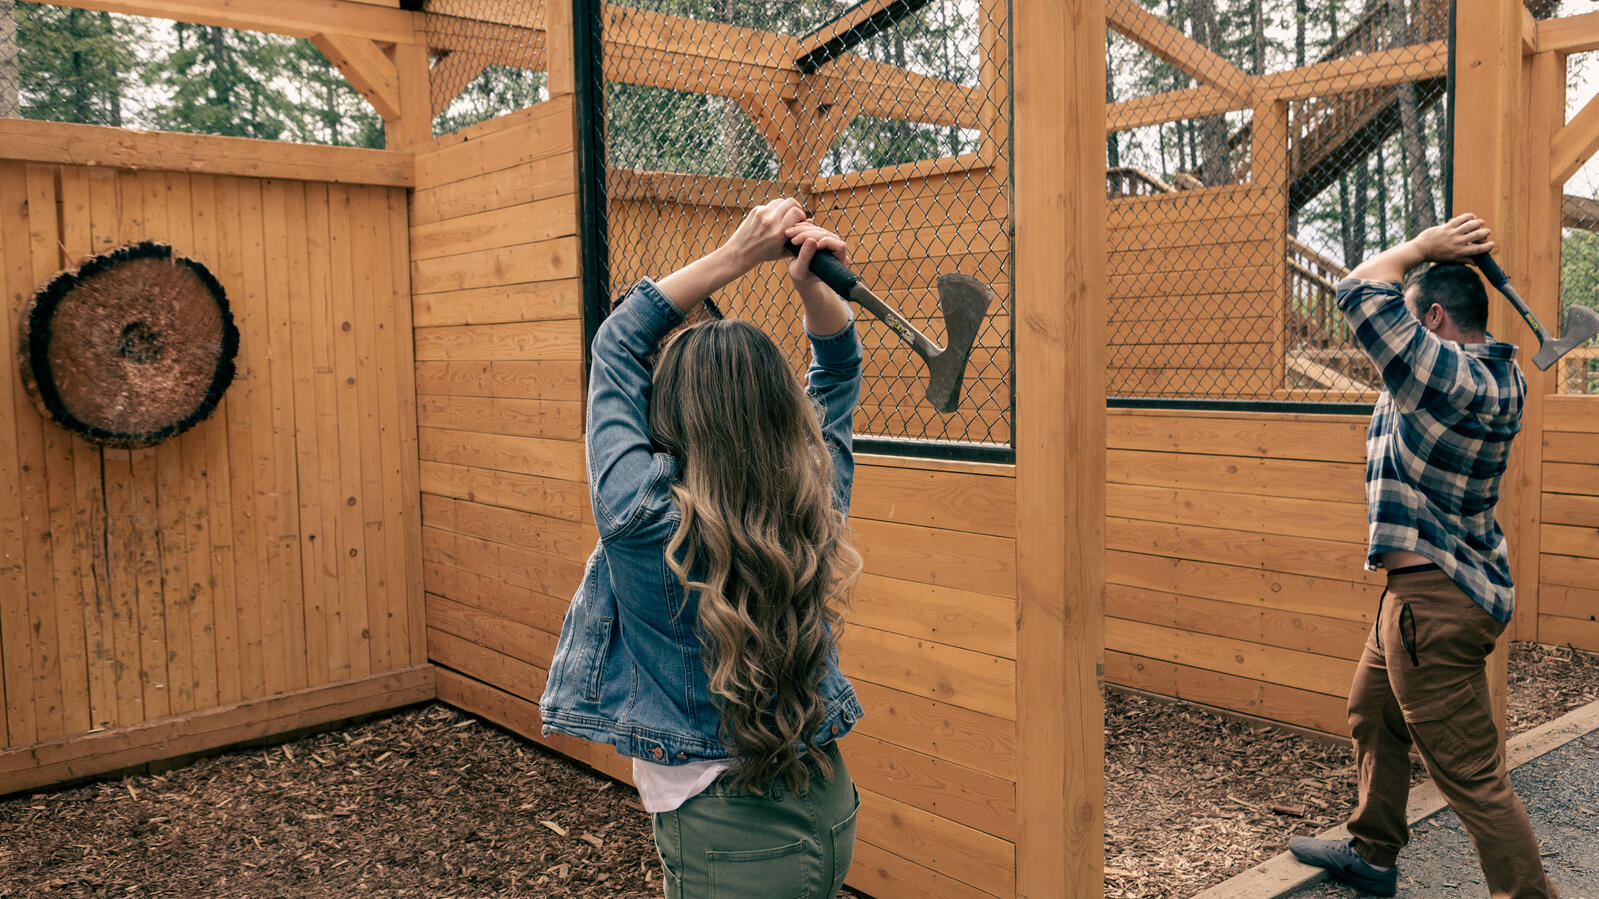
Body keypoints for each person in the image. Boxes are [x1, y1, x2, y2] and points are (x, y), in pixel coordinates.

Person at [539, 197, 865, 899]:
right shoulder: (814, 497)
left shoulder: (643, 518)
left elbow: (617, 344)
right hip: (829, 801)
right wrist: (812, 286)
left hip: (730, 835)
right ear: (782, 411)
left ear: (669, 409)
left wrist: (737, 254)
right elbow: (836, 373)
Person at [1287, 214, 1560, 899]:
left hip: (1430, 608)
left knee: (1471, 775)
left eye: (1413, 319)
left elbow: (1357, 288)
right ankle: (1372, 852)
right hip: (1427, 595)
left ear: (1434, 317)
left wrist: (1420, 248)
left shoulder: (1444, 377)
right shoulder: (1499, 376)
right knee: (1370, 711)